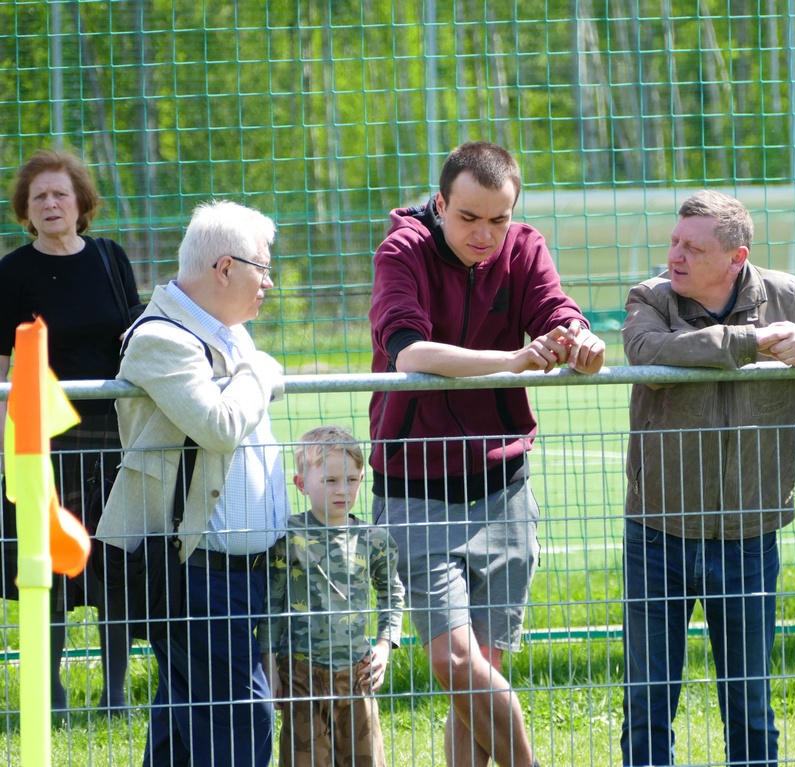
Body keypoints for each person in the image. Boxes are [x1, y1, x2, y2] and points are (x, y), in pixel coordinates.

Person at [620, 189, 795, 767]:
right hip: (657, 533)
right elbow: (647, 353)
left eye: (692, 247)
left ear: (737, 258)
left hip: (750, 533)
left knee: (748, 702)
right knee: (648, 701)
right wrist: (751, 342)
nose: (675, 256)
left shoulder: (786, 296)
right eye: (674, 241)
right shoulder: (652, 298)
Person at [368, 141, 606, 767]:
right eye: (469, 217)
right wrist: (513, 362)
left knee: (479, 681)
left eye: (498, 219)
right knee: (453, 662)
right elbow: (409, 352)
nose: (485, 233)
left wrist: (581, 337)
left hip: (504, 486)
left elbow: (556, 311)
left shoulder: (525, 247)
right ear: (440, 203)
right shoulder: (402, 251)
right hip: (413, 488)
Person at [95, 200, 287, 767]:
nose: (269, 282)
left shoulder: (229, 333)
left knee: (185, 715)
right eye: (263, 267)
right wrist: (261, 370)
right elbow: (221, 426)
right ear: (224, 268)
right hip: (196, 571)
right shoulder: (161, 338)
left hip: (238, 572)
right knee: (242, 715)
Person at [0, 147, 144, 717]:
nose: (51, 203)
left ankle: (115, 694)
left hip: (115, 438)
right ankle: (49, 694)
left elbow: (136, 336)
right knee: (49, 567)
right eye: (40, 197)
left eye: (60, 193)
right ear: (26, 211)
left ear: (81, 201)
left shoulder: (110, 257)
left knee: (112, 566)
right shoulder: (11, 273)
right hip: (45, 441)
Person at [259, 425, 405, 767]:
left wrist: (384, 645)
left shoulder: (373, 539)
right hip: (301, 674)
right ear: (301, 483)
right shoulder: (287, 537)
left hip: (357, 674)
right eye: (330, 481)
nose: (344, 490)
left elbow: (391, 593)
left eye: (352, 480)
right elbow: (271, 603)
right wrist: (269, 663)